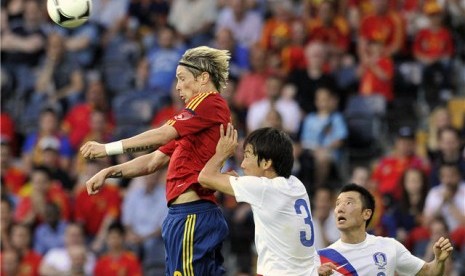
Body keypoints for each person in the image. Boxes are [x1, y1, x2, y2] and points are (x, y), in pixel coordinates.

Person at [80, 46, 231, 274]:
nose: (178, 87)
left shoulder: (208, 101)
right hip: (186, 215)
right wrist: (108, 172)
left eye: (181, 79)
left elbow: (160, 135)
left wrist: (107, 148)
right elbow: (152, 161)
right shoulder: (195, 126)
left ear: (203, 78)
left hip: (192, 213)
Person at [198, 125, 319, 275]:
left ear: (267, 163)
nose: (242, 164)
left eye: (247, 156)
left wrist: (221, 154)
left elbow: (204, 178)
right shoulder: (296, 184)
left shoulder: (263, 188)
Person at [317, 183, 454, 276]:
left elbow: (429, 272)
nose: (340, 208)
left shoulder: (389, 246)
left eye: (348, 203)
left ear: (366, 213)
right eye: (337, 204)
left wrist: (439, 261)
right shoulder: (322, 258)